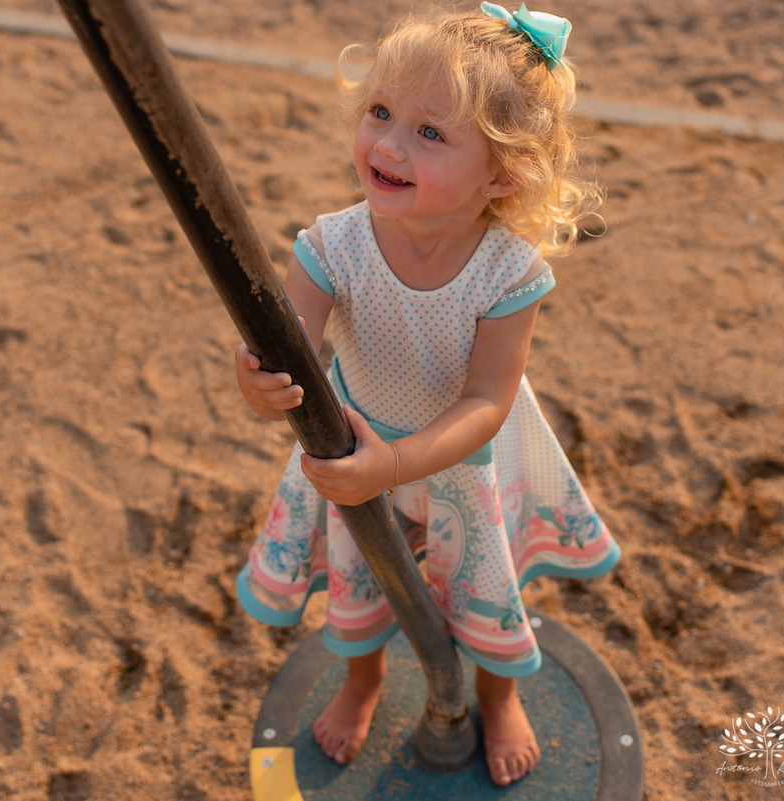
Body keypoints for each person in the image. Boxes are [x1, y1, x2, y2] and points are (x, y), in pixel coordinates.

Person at [233, 2, 619, 786]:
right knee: (362, 582)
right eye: (380, 111)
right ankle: (363, 681)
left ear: (501, 174)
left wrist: (398, 464)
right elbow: (284, 357)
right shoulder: (331, 247)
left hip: (461, 461)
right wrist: (259, 381)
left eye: (429, 133)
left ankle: (498, 696)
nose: (387, 143)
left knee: (487, 593)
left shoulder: (508, 272)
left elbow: (487, 401)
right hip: (354, 449)